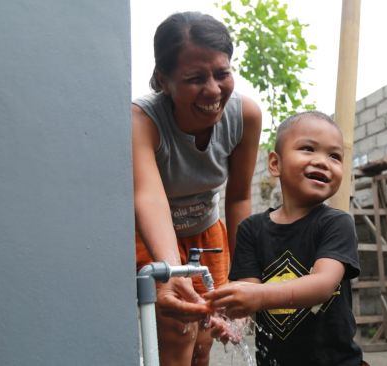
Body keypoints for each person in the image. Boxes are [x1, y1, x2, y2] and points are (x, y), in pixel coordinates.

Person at [132, 11, 262, 366]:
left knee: (206, 337)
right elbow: (148, 196)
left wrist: (244, 276)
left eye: (222, 73)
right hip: (154, 235)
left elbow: (239, 198)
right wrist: (171, 272)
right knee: (179, 329)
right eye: (194, 79)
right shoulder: (143, 121)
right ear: (163, 79)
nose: (213, 90)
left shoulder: (245, 116)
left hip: (208, 235)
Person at [203, 111, 365, 366]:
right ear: (275, 164)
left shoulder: (336, 223)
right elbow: (247, 291)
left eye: (334, 156)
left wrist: (258, 296)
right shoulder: (251, 230)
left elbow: (322, 285)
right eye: (308, 149)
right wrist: (232, 322)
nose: (323, 161)